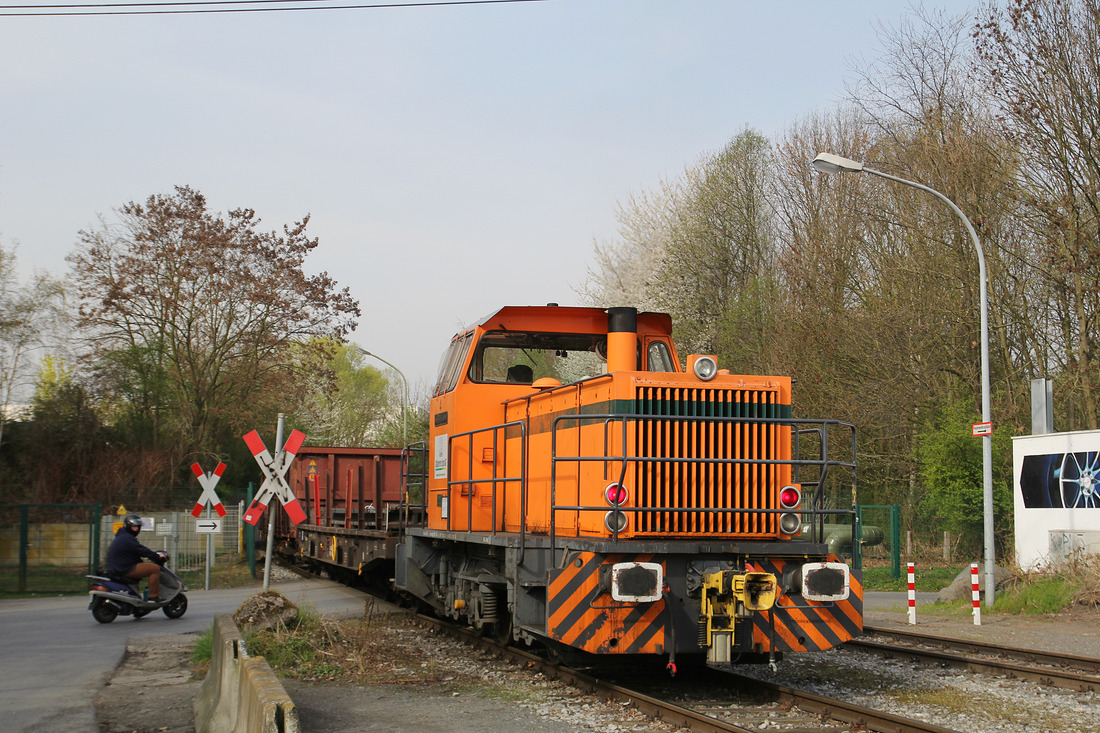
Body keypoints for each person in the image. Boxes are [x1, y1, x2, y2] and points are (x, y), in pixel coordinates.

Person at [107, 513, 166, 603]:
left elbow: (135, 551)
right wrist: (156, 556)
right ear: (128, 526)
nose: (136, 529)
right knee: (154, 569)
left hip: (117, 567)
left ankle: (137, 598)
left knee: (143, 566)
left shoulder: (121, 536)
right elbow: (141, 550)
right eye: (134, 527)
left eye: (138, 527)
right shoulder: (128, 538)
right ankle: (153, 596)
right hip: (125, 568)